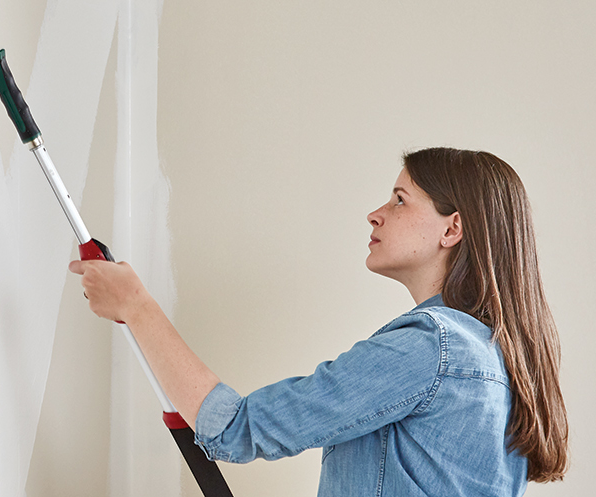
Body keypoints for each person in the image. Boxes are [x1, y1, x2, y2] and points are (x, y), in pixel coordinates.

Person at [69, 147, 568, 496]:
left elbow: (235, 429)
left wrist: (136, 306)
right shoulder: (494, 356)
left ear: (451, 228)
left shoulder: (431, 349)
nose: (375, 214)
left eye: (399, 200)